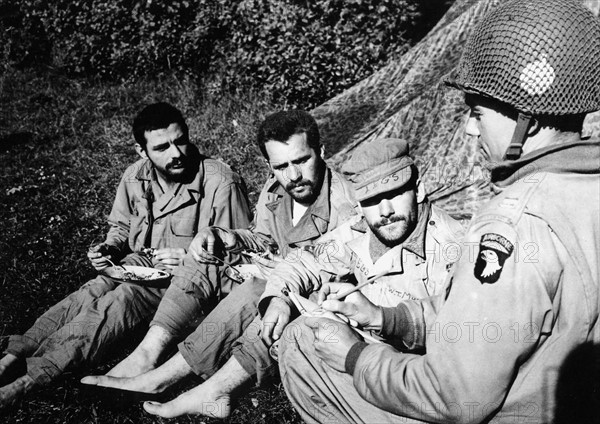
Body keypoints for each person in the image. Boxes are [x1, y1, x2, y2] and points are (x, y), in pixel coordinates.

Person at [277, 0, 600, 422]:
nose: (469, 128)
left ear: (529, 122)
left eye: (478, 112)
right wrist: (386, 318)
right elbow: (491, 324)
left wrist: (355, 355)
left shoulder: (511, 223)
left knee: (304, 338)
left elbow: (453, 397)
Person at [84, 137, 464, 420]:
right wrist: (280, 297)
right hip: (358, 348)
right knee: (277, 305)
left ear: (420, 189)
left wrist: (381, 317)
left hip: (405, 373)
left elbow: (460, 337)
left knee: (298, 322)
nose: (384, 212)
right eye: (370, 201)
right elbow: (302, 260)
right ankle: (181, 380)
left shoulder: (453, 248)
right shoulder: (361, 228)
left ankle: (190, 384)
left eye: (395, 194)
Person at [80, 109, 358, 416]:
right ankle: (147, 354)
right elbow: (262, 237)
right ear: (269, 165)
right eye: (281, 166)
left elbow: (338, 281)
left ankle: (177, 383)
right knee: (204, 253)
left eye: (301, 161)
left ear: (321, 152)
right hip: (270, 276)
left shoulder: (343, 203)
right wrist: (227, 237)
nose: (293, 176)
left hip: (311, 303)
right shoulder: (276, 188)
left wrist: (275, 273)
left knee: (257, 288)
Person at [0, 102, 252, 408]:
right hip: (139, 264)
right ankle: (15, 354)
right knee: (90, 291)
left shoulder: (220, 181)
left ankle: (32, 378)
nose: (177, 153)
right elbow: (120, 225)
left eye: (181, 140)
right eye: (162, 147)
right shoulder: (135, 176)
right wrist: (109, 248)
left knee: (115, 304)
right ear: (141, 151)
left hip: (183, 285)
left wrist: (188, 255)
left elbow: (239, 258)